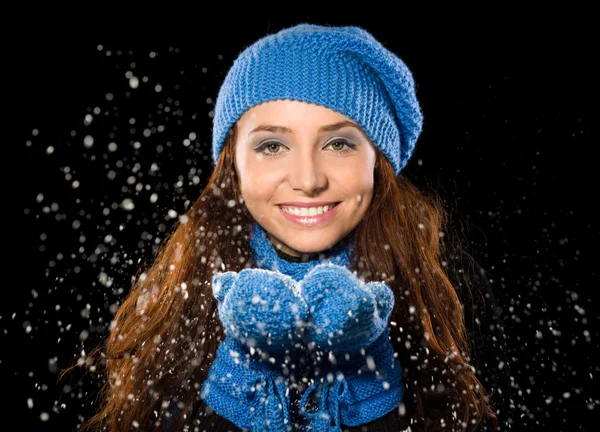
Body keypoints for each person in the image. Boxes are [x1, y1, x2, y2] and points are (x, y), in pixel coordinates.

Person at [64, 23, 514, 431]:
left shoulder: (445, 289)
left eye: (338, 143)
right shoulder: (184, 290)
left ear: (378, 162)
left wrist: (374, 377)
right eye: (272, 145)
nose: (307, 180)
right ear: (231, 165)